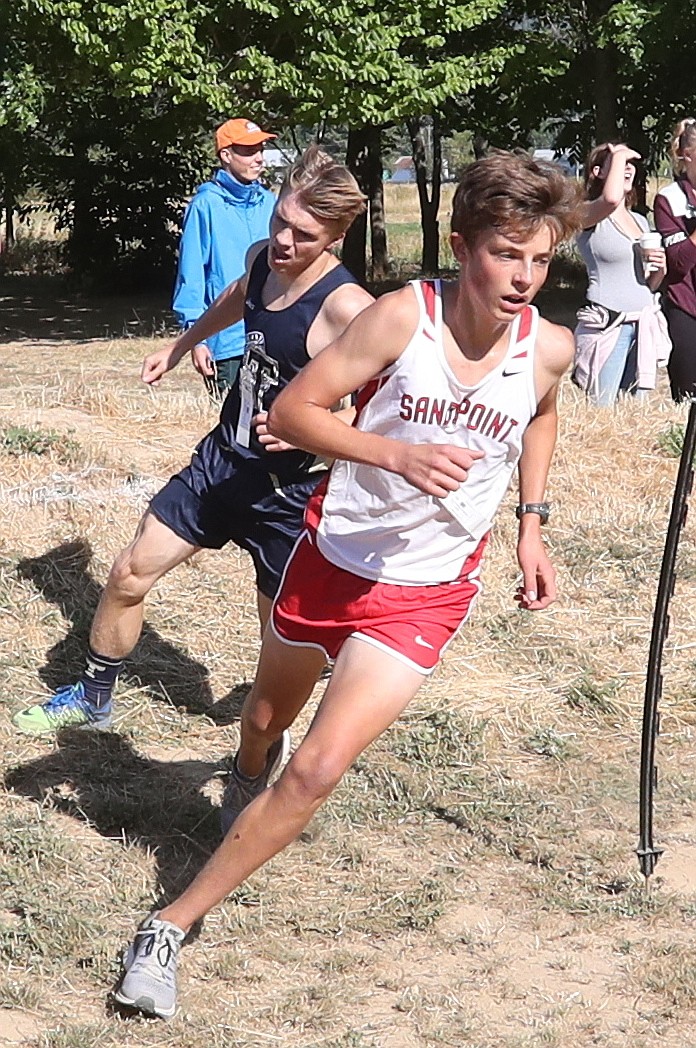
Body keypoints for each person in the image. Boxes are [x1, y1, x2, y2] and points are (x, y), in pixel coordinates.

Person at [112, 149, 583, 1020]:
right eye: (506, 254)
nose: (524, 278)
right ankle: (246, 771)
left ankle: (168, 926)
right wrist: (394, 453)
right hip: (334, 560)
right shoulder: (403, 319)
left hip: (428, 588)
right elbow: (293, 411)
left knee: (320, 767)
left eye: (541, 259)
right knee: (262, 722)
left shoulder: (547, 346)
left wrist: (532, 523)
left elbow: (543, 407)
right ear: (461, 244)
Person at [12, 147, 372, 737]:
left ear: (336, 234)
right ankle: (94, 699)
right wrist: (182, 345)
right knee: (129, 571)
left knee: (279, 648)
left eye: (303, 234)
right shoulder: (262, 259)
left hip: (291, 497)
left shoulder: (349, 310)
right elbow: (237, 293)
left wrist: (321, 437)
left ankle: (270, 750)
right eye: (280, 220)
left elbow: (385, 412)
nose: (283, 240)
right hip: (221, 464)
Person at [172, 117, 277, 399]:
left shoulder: (271, 204)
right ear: (226, 155)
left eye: (261, 150)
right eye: (248, 151)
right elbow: (191, 276)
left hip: (272, 337)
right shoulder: (205, 205)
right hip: (227, 344)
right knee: (231, 435)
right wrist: (197, 339)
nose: (258, 158)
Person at [573, 142, 669, 407]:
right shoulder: (587, 215)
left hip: (643, 324)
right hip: (608, 326)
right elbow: (611, 199)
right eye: (618, 163)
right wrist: (618, 152)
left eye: (629, 164)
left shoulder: (639, 221)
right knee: (602, 409)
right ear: (597, 172)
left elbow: (648, 283)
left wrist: (659, 271)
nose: (627, 168)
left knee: (633, 414)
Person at [654, 118, 696, 402]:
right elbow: (679, 262)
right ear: (688, 154)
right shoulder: (669, 200)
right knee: (688, 398)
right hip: (688, 307)